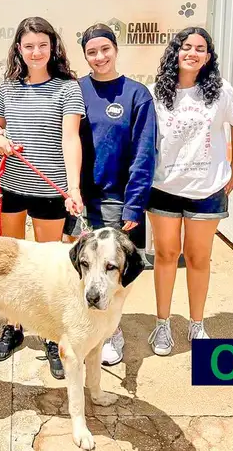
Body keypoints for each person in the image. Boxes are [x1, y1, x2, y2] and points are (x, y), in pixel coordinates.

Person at [0, 16, 85, 379]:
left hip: (49, 189)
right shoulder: (8, 87)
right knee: (10, 263)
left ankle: (49, 334)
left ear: (52, 47)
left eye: (42, 45)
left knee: (48, 266)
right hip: (10, 186)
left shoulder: (67, 89)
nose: (36, 52)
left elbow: (70, 138)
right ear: (18, 49)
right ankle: (13, 326)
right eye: (28, 46)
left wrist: (72, 189)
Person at [145, 27, 233, 355]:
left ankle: (196, 324)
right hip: (163, 187)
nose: (192, 53)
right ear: (176, 51)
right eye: (186, 46)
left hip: (207, 189)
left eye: (200, 48)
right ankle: (162, 325)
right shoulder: (156, 93)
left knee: (198, 257)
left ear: (208, 56)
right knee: (165, 255)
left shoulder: (220, 92)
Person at [63, 23, 158, 366]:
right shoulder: (75, 90)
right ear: (85, 55)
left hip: (117, 201)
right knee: (83, 270)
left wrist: (134, 204)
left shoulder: (136, 95)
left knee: (112, 274)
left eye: (105, 49)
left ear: (115, 50)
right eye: (91, 52)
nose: (99, 57)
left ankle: (112, 333)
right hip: (79, 200)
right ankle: (83, 329)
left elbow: (144, 154)